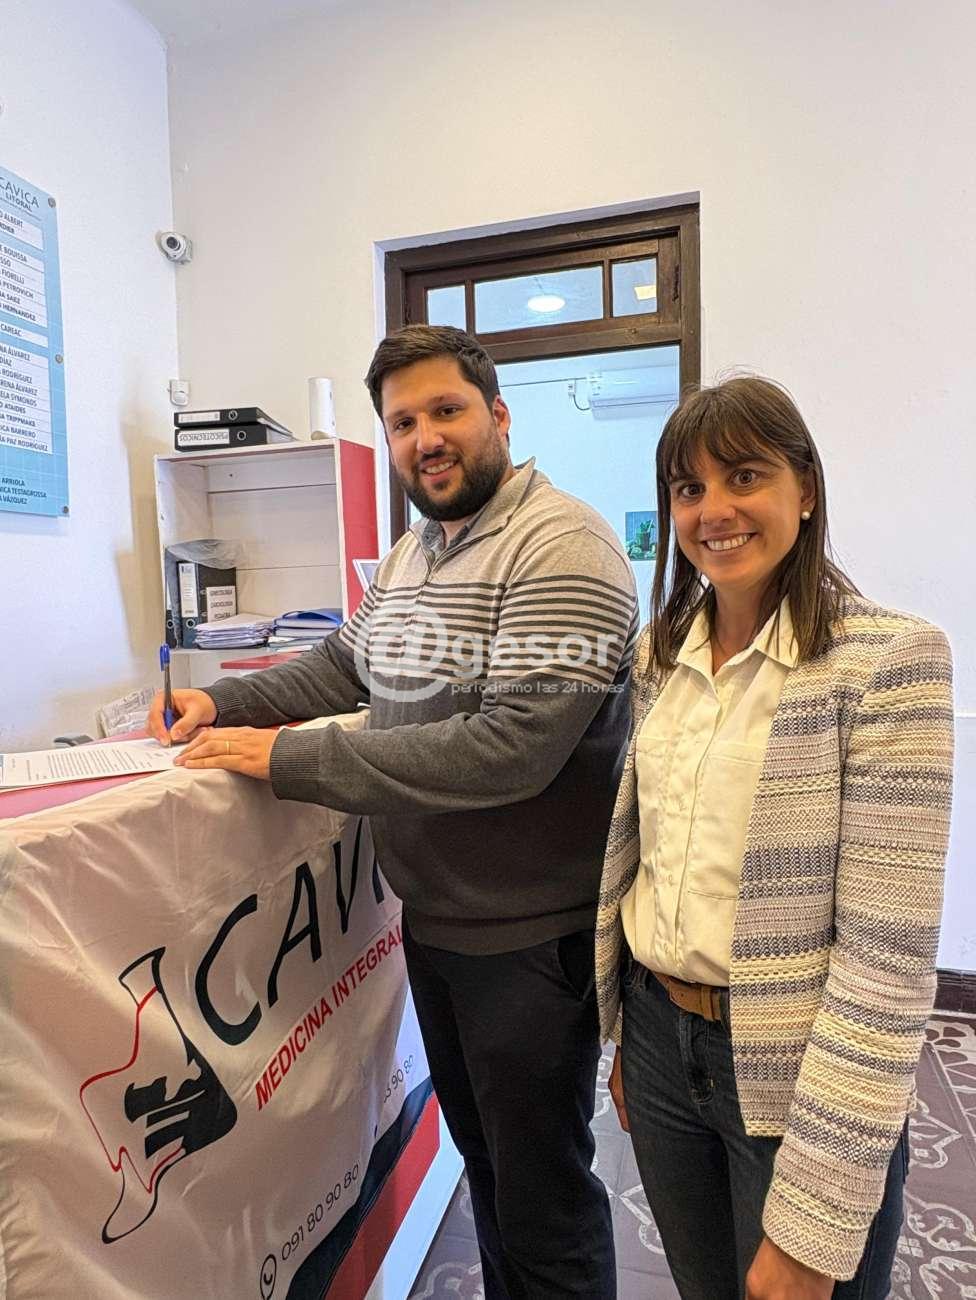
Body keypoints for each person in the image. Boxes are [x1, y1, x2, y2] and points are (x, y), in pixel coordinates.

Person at [149, 325, 638, 1299]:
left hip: (528, 943)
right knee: (489, 1171)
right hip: (439, 924)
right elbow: (344, 665)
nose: (425, 439)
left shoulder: (563, 546)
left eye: (446, 410)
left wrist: (289, 758)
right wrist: (224, 701)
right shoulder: (418, 549)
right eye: (403, 423)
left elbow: (510, 750)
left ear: (499, 416)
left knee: (542, 1199)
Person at [595, 376, 954, 1300]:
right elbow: (651, 865)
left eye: (744, 476)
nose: (713, 510)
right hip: (659, 1038)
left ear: (806, 490)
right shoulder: (659, 652)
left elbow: (886, 962)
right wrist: (631, 1040)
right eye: (689, 488)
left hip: (801, 1067)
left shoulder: (888, 662)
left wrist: (818, 1213)